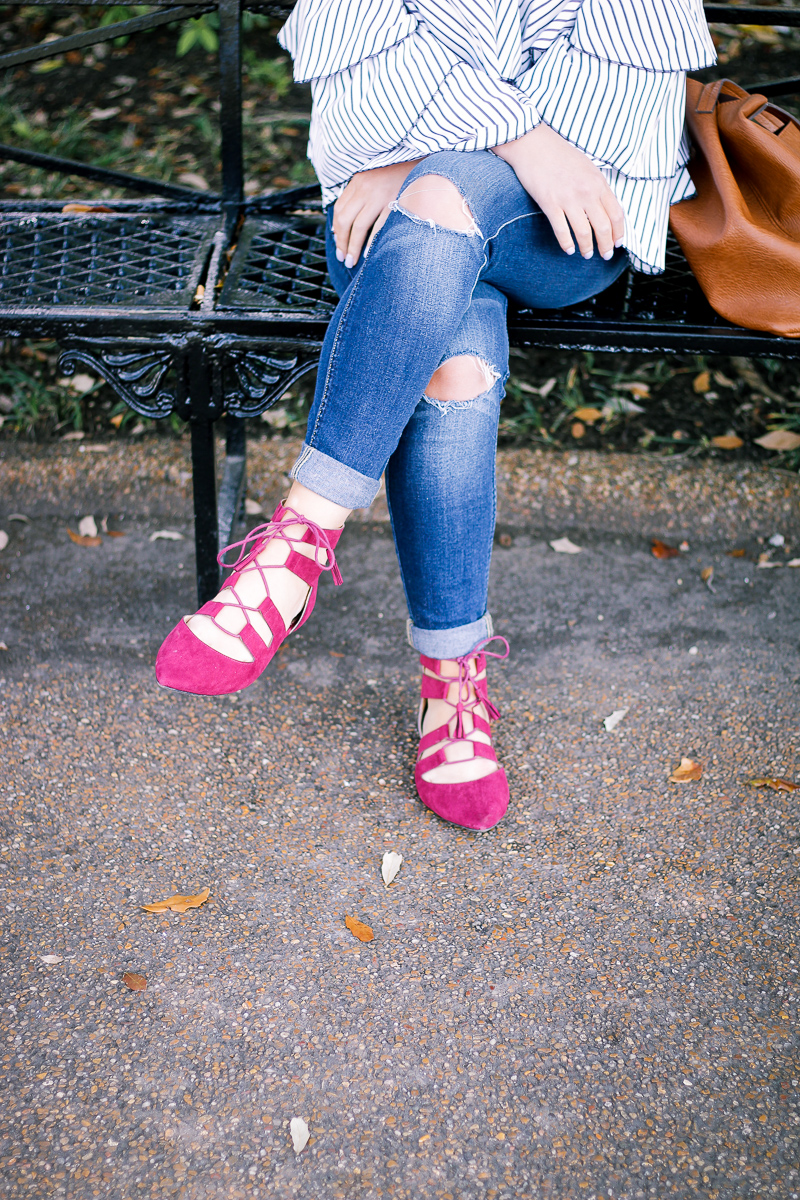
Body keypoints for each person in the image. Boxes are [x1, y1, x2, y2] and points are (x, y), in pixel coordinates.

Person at [156, 0, 715, 832]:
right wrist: (464, 150)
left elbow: (610, 118)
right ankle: (452, 686)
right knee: (451, 354)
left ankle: (296, 546)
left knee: (445, 200)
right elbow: (363, 58)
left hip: (561, 227)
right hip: (394, 204)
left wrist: (448, 156)